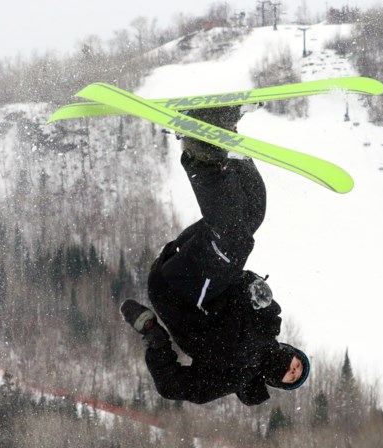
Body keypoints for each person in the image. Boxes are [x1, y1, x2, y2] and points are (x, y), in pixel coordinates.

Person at [120, 105, 310, 405]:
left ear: (275, 381)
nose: (292, 366)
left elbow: (173, 387)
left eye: (290, 375)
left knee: (235, 241)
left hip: (179, 295)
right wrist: (254, 288)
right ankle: (224, 138)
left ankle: (200, 152)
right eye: (298, 364)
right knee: (251, 214)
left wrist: (154, 335)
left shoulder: (236, 376)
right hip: (189, 269)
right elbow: (239, 283)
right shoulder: (269, 322)